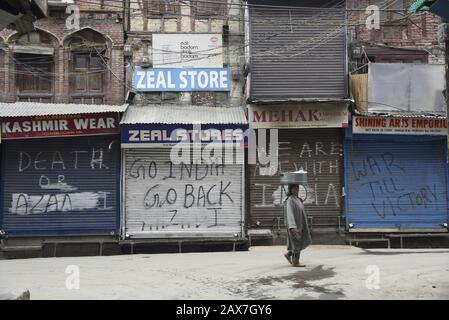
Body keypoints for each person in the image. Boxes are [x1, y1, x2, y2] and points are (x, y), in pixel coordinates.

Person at [283, 184, 312, 267]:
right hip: (294, 225)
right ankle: (295, 262)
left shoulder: (298, 199)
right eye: (294, 189)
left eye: (297, 189)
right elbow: (289, 213)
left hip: (300, 224)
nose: (296, 190)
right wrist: (292, 226)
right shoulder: (290, 200)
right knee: (296, 241)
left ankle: (289, 254)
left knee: (299, 241)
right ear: (291, 190)